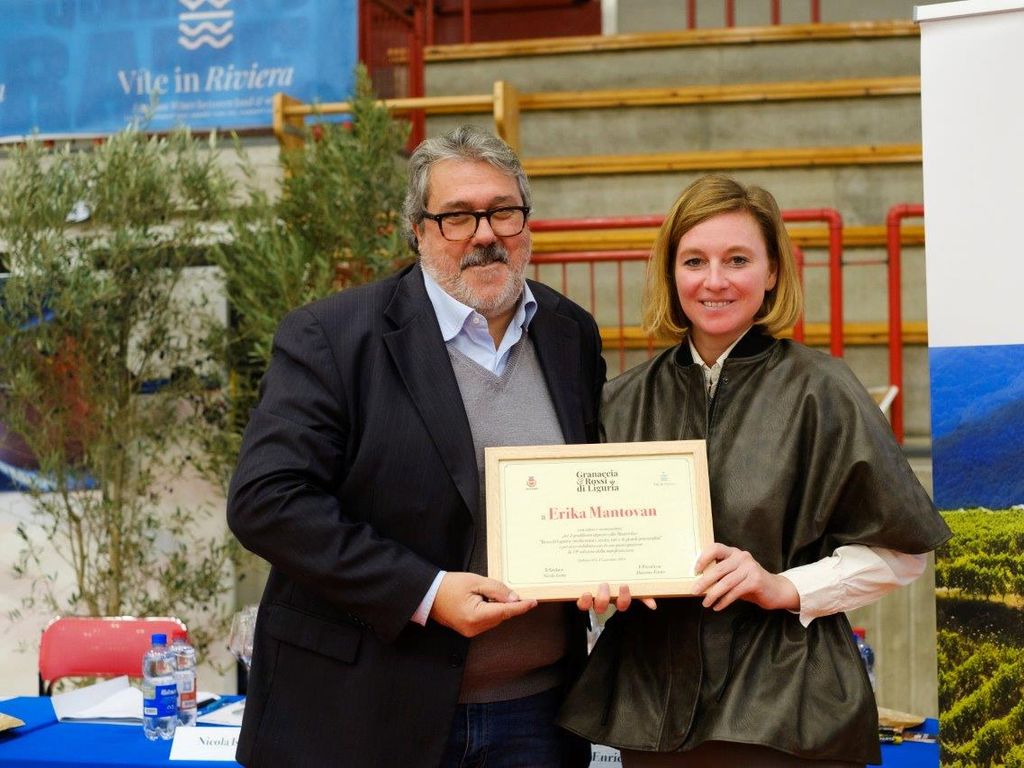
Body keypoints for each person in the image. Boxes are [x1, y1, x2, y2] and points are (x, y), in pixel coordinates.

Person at [226, 125, 603, 767]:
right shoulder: (332, 336)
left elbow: (586, 486)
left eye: (503, 211)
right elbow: (266, 501)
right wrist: (423, 592)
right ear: (419, 231)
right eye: (457, 216)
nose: (484, 234)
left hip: (538, 717)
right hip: (364, 715)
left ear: (527, 222)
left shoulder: (570, 332)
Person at [557, 175, 951, 767]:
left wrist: (784, 587)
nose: (714, 280)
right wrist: (594, 577)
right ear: (671, 273)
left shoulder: (825, 390)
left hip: (789, 710)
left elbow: (903, 554)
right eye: (695, 260)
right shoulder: (622, 400)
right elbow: (592, 538)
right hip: (652, 709)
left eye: (737, 259)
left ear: (772, 273)